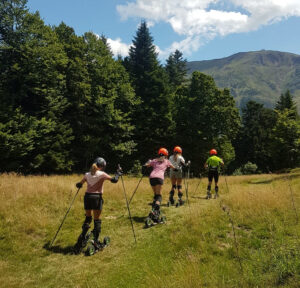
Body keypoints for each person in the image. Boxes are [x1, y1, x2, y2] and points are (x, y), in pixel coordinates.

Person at [73, 157, 121, 254]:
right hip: (96, 198)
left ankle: (82, 238)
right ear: (102, 166)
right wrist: (118, 173)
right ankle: (95, 241)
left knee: (88, 218)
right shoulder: (102, 174)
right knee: (97, 220)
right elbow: (114, 180)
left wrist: (79, 185)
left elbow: (79, 184)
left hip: (87, 197)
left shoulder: (87, 174)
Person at [145, 148, 175, 222]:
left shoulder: (154, 160)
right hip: (159, 178)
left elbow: (146, 165)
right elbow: (174, 168)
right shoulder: (166, 161)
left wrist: (148, 162)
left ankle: (154, 211)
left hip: (151, 178)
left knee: (155, 195)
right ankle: (155, 212)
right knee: (159, 196)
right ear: (166, 155)